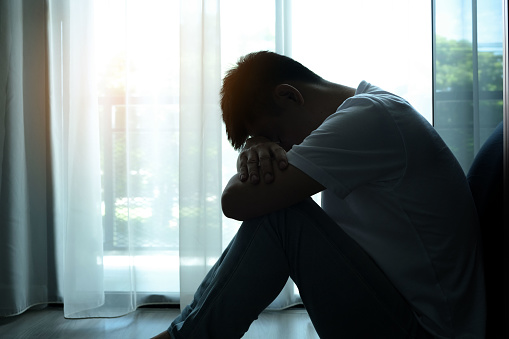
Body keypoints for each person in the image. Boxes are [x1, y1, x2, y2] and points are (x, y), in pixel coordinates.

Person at [153, 51, 486, 338]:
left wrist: (253, 152)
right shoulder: (374, 111)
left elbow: (235, 202)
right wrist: (256, 145)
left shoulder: (368, 119)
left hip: (430, 332)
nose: (281, 152)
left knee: (282, 216)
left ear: (289, 96)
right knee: (280, 208)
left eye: (277, 139)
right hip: (406, 314)